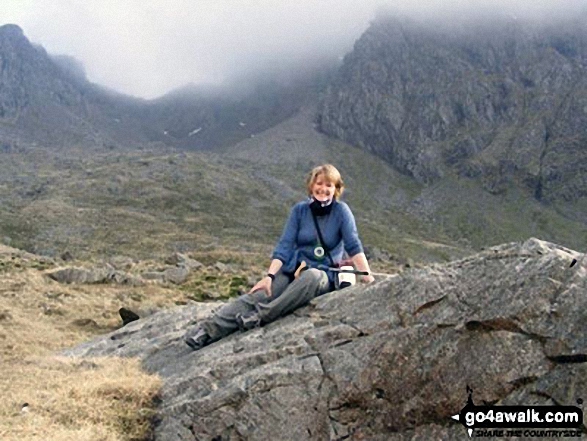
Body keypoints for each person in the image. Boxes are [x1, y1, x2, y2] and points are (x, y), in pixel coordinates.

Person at [184, 164, 374, 350]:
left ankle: (261, 316)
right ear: (311, 186)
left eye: (329, 185)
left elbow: (353, 245)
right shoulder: (300, 211)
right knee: (258, 295)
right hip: (295, 269)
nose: (323, 189)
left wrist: (366, 275)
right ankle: (207, 330)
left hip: (323, 275)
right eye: (319, 183)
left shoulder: (342, 212)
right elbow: (285, 245)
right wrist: (269, 276)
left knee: (313, 277)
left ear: (336, 189)